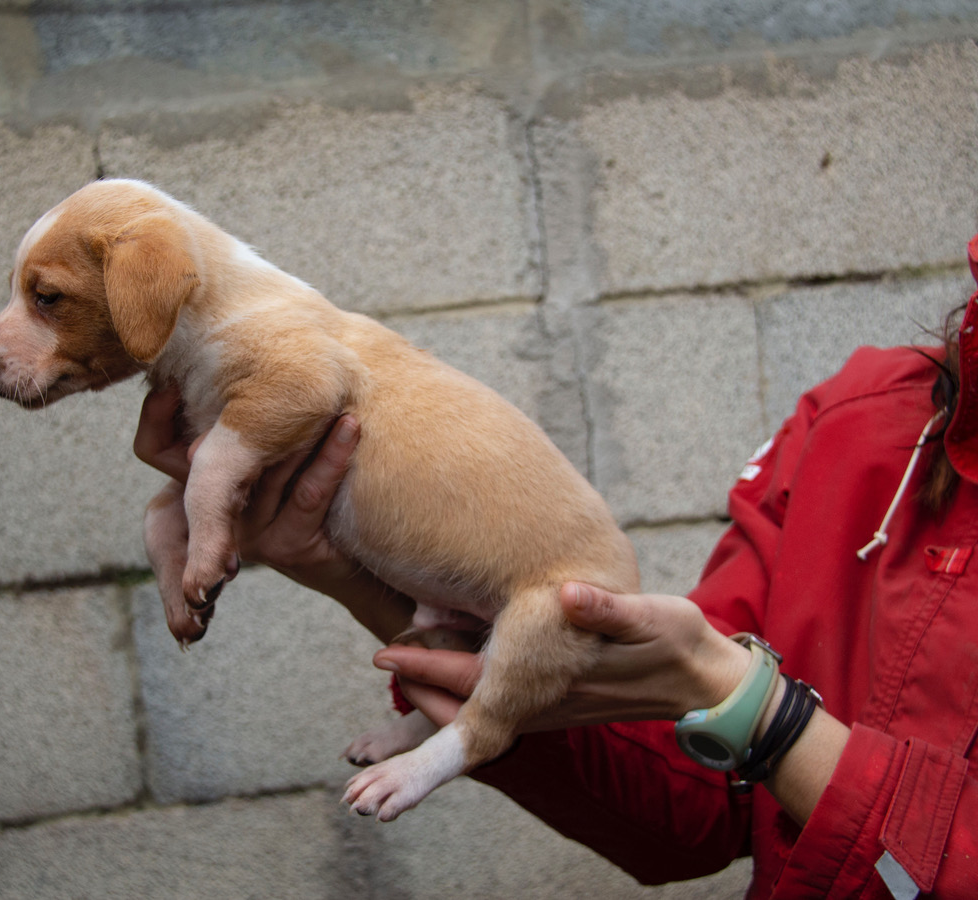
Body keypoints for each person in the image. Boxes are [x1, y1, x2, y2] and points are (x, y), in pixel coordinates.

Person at [133, 237, 978, 899]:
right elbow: (690, 803)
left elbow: (702, 710)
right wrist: (339, 572)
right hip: (493, 614)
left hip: (534, 605)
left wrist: (761, 711)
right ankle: (451, 726)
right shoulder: (861, 417)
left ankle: (456, 736)